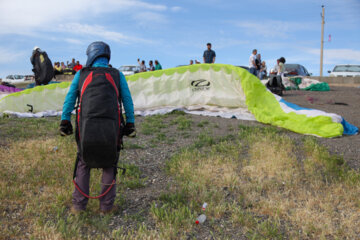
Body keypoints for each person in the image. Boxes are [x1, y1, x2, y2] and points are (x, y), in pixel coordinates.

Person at [59, 41, 136, 215]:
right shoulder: (117, 74)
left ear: (91, 55)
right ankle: (106, 208)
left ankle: (79, 207)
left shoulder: (82, 74)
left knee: (83, 162)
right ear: (106, 56)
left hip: (86, 126)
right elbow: (127, 100)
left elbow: (70, 98)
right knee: (110, 163)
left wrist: (65, 120)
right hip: (112, 127)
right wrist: (130, 123)